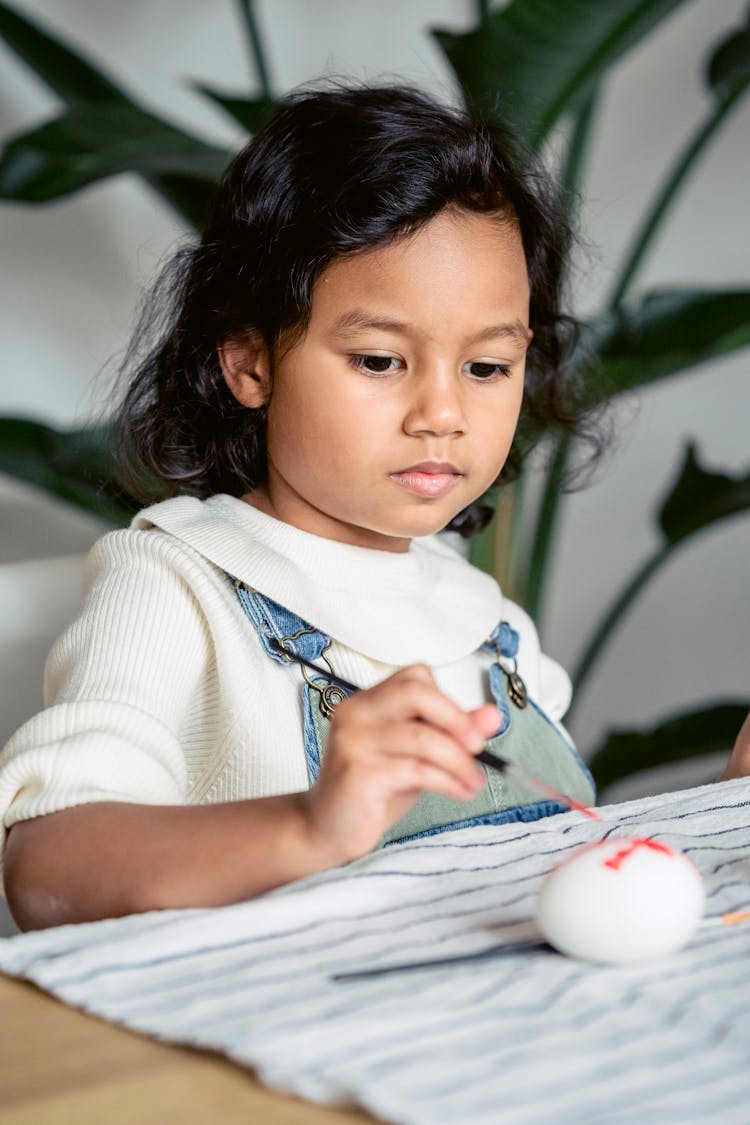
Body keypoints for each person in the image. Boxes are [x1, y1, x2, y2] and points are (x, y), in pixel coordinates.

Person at [1, 84, 745, 932]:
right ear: (248, 361)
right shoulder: (176, 582)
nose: (443, 412)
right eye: (381, 360)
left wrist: (728, 806)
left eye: (487, 367)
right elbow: (46, 872)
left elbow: (546, 888)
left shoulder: (485, 620)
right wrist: (311, 822)